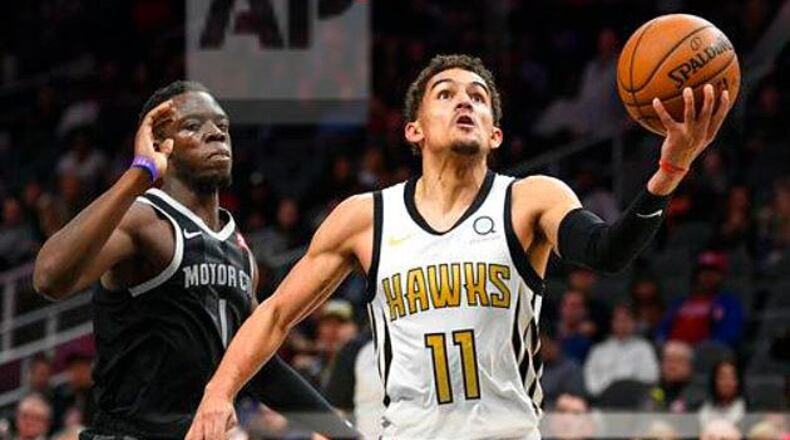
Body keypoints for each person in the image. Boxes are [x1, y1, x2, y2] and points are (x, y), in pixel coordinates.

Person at [187, 54, 732, 439]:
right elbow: (275, 314)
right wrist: (218, 392)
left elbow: (608, 252)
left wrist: (670, 169)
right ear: (414, 130)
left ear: (495, 134)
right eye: (445, 94)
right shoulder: (364, 218)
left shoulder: (530, 199)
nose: (464, 102)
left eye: (478, 97)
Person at [33, 81, 357, 439]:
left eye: (222, 125)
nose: (215, 134)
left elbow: (261, 367)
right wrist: (139, 174)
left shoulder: (238, 249)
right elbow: (49, 278)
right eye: (192, 126)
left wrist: (345, 434)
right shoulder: (144, 220)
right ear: (160, 144)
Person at [583, 304, 659, 397]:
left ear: (634, 323)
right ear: (612, 323)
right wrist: (601, 394)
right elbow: (590, 377)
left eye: (626, 320)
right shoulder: (599, 350)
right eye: (618, 320)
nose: (622, 325)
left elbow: (651, 377)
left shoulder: (644, 348)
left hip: (634, 399)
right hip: (603, 398)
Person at [698, 360, 747, 427]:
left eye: (732, 377)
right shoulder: (706, 408)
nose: (727, 382)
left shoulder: (748, 409)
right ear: (714, 382)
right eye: (722, 377)